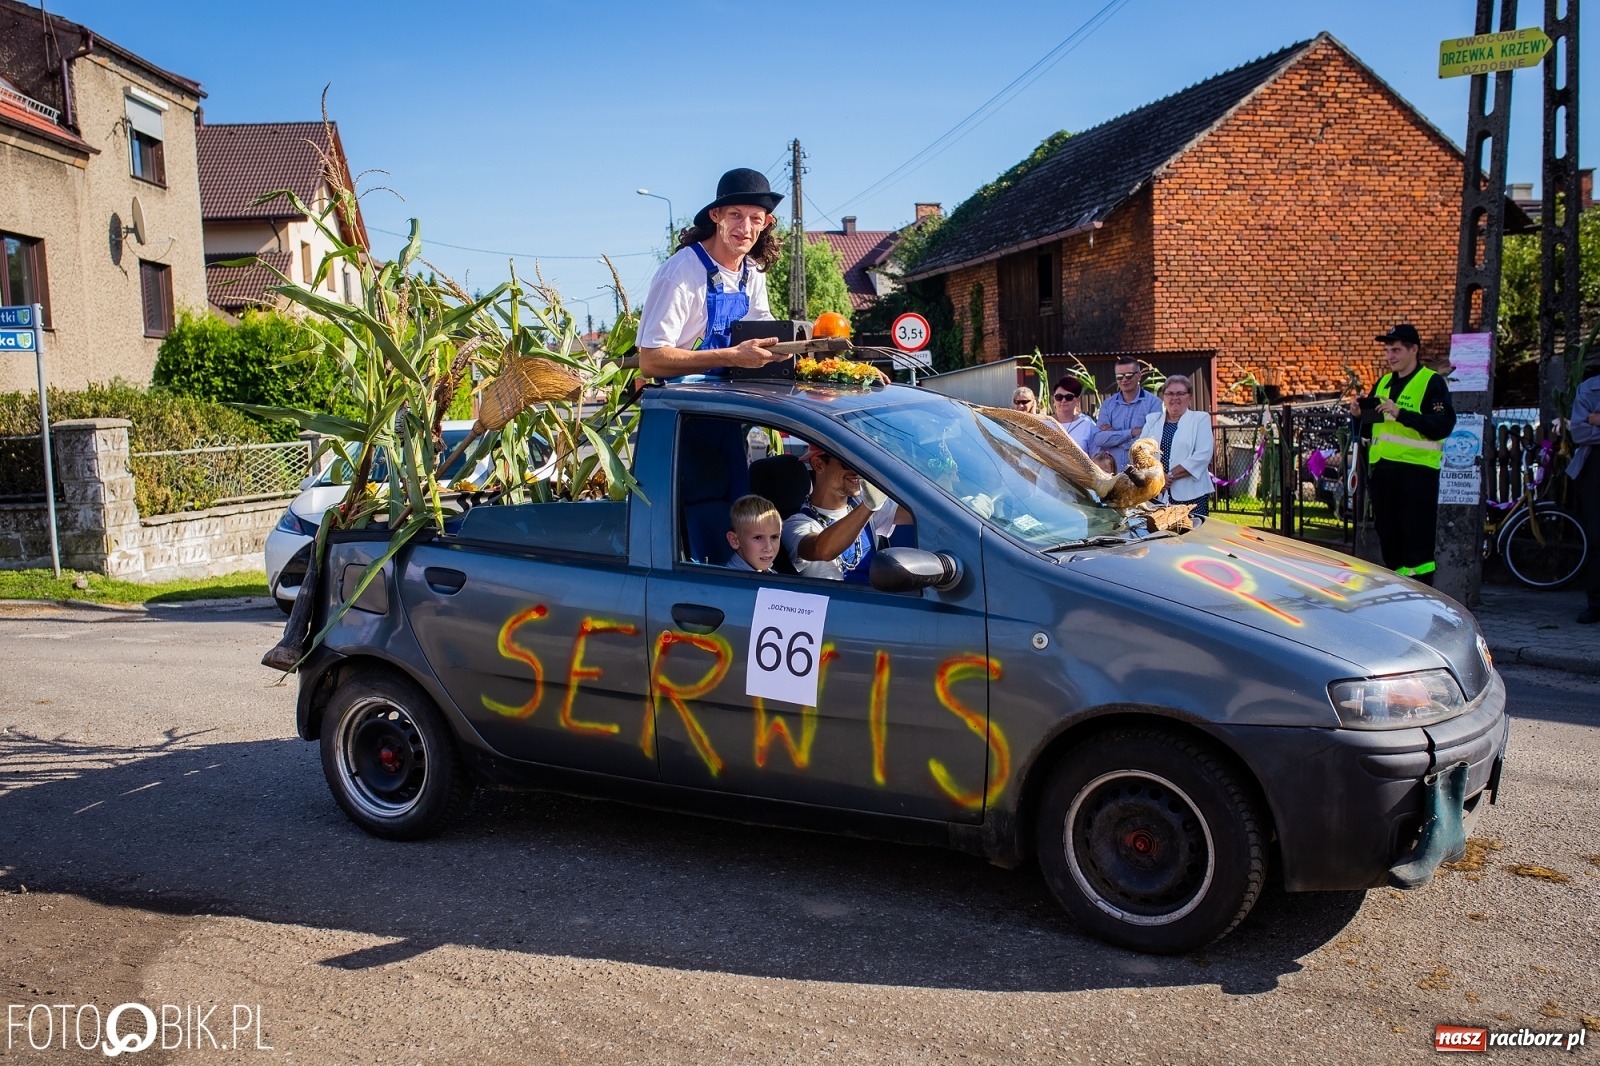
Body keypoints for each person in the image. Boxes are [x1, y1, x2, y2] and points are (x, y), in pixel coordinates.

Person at [636, 168, 791, 379]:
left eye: (755, 218)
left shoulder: (752, 271)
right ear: (716, 215)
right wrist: (731, 357)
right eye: (735, 215)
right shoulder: (680, 273)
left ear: (766, 223)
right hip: (681, 394)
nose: (745, 228)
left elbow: (762, 330)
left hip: (731, 390)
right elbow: (650, 361)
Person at [1348, 323, 1455, 585]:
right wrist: (1358, 416)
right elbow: (1368, 430)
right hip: (1384, 474)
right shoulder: (1383, 383)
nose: (1390, 356)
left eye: (1395, 350)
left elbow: (1442, 425)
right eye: (1387, 351)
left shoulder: (1431, 382)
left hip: (1417, 475)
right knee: (1389, 540)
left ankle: (1422, 595)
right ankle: (1399, 592)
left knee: (1416, 545)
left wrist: (1401, 413)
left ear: (1413, 349)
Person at [782, 447, 907, 582]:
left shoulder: (860, 503)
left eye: (860, 463)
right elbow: (823, 550)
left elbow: (917, 512)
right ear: (819, 465)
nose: (857, 471)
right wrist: (868, 507)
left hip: (874, 594)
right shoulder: (795, 525)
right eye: (847, 463)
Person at [1141, 374, 1214, 517]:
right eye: (1170, 394)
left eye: (1180, 393)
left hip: (1192, 495)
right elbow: (1140, 452)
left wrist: (1168, 476)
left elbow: (1203, 455)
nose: (1175, 398)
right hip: (1157, 494)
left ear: (1190, 397)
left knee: (1191, 531)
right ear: (1164, 397)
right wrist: (1157, 478)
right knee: (1159, 530)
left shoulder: (1200, 419)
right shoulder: (1152, 420)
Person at [1567, 361, 1600, 623]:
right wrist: (1588, 423)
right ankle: (1596, 603)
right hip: (1594, 468)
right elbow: (1579, 431)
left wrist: (1597, 420)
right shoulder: (1588, 389)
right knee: (1596, 537)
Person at [1091, 358, 1162, 468]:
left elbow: (1151, 441)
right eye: (1119, 376)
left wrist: (1114, 435)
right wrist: (1132, 432)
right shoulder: (1108, 404)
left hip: (1140, 472)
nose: (1124, 380)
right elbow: (1099, 439)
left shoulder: (1153, 403)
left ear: (1139, 376)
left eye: (1129, 375)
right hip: (1114, 473)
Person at [726, 495, 782, 573]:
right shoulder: (730, 578)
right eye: (758, 538)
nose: (769, 548)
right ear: (735, 540)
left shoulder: (771, 573)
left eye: (774, 537)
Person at [1049, 376, 1097, 453]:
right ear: (1054, 400)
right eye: (1059, 397)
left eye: (1069, 397)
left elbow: (1096, 455)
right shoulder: (1044, 423)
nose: (1063, 400)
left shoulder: (1087, 425)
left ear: (1078, 400)